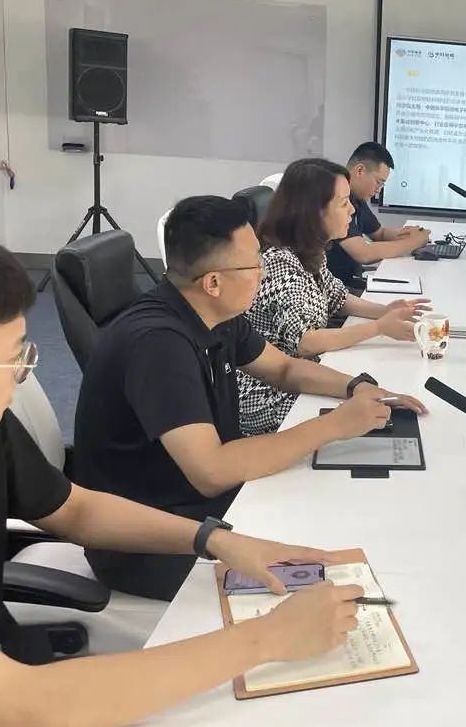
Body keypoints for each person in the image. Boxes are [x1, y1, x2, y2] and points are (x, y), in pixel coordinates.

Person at [0, 220, 364, 727]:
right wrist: (267, 639)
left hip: (12, 679)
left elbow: (74, 508)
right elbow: (29, 713)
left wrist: (215, 540)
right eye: (13, 359)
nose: (22, 375)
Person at [72, 195, 425, 600]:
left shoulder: (213, 314)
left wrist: (356, 386)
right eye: (254, 263)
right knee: (343, 574)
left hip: (204, 510)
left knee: (343, 508)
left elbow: (284, 368)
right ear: (213, 282)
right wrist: (332, 426)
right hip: (156, 542)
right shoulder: (159, 345)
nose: (264, 271)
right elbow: (212, 471)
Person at [240, 159, 429, 435]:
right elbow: (306, 342)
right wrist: (378, 327)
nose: (352, 209)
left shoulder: (309, 249)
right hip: (268, 393)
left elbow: (337, 297)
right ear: (313, 212)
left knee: (381, 393)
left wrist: (385, 311)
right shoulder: (281, 263)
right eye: (343, 203)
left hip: (304, 373)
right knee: (374, 414)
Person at [326, 142, 429, 283]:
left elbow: (379, 234)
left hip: (344, 283)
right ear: (360, 170)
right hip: (337, 285)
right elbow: (363, 253)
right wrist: (413, 242)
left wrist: (408, 233)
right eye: (378, 182)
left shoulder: (357, 199)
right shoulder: (335, 203)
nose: (379, 190)